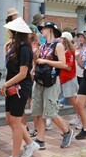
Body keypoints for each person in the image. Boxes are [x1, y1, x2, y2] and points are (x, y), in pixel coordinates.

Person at [0, 17, 39, 157]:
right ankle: (30, 144)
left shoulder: (24, 49)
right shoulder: (14, 47)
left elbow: (23, 73)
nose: (8, 32)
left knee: (15, 122)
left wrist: (7, 83)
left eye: (10, 30)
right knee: (11, 120)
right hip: (12, 86)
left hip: (20, 87)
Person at [32, 22, 74, 150]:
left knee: (50, 111)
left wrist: (46, 61)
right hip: (40, 80)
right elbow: (38, 61)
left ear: (50, 30)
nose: (41, 32)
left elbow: (63, 64)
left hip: (51, 80)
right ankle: (40, 139)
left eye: (43, 29)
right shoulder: (43, 45)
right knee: (38, 110)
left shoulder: (58, 45)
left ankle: (66, 131)